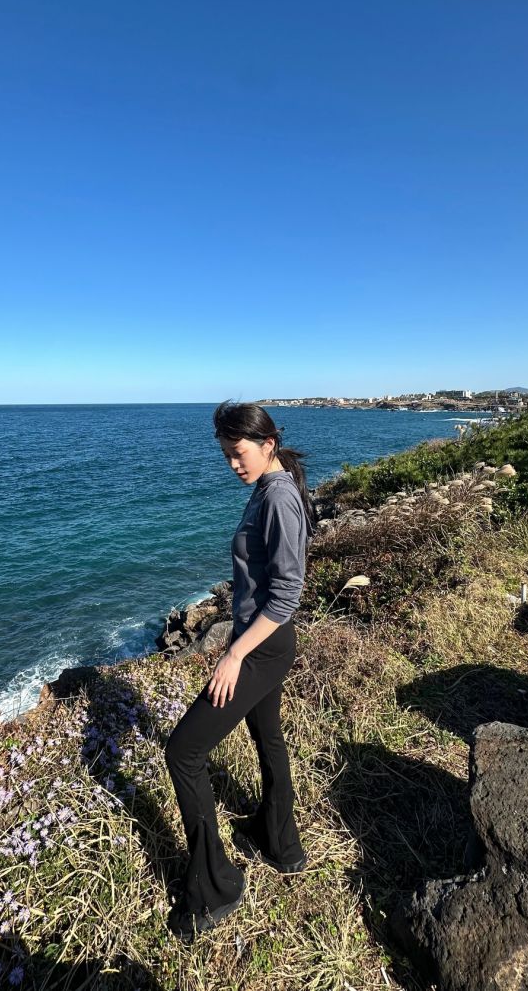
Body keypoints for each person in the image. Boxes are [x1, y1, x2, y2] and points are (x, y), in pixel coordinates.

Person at [164, 400, 315, 944]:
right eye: (226, 454)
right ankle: (281, 843)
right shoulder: (273, 485)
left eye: (238, 452)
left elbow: (288, 593)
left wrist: (234, 653)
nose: (232, 464)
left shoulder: (278, 497)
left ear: (267, 444)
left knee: (183, 753)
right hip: (265, 643)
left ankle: (216, 888)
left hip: (262, 648)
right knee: (267, 735)